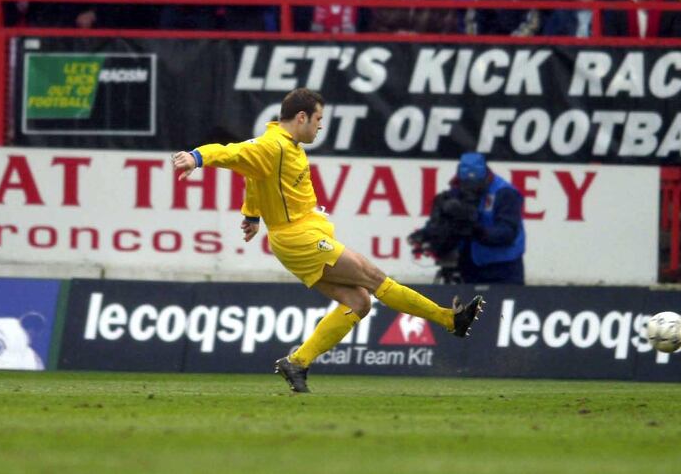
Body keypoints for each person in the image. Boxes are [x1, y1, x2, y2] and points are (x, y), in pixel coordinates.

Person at [171, 88, 485, 393]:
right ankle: (448, 319)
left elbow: (254, 176)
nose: (321, 126)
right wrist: (196, 158)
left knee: (358, 302)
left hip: (301, 234)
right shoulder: (273, 146)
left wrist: (252, 215)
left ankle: (297, 362)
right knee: (376, 279)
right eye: (319, 119)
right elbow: (231, 152)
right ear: (302, 117)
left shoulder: (285, 147)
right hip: (298, 238)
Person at [409, 152, 525, 285]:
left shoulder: (505, 193)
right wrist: (427, 234)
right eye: (466, 184)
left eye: (476, 184)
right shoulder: (456, 191)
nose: (471, 189)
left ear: (485, 177)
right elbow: (442, 221)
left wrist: (477, 230)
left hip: (503, 268)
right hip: (469, 267)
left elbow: (508, 232)